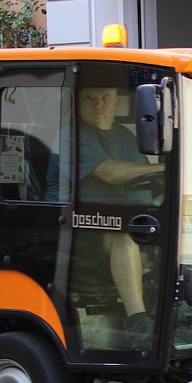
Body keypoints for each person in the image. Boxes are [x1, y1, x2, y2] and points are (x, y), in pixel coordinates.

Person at [77, 85, 164, 348]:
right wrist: (165, 167)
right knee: (125, 238)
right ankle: (138, 319)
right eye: (89, 96)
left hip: (128, 215)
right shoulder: (75, 135)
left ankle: (171, 314)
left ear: (117, 103)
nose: (98, 103)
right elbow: (111, 173)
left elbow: (143, 176)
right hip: (81, 225)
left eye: (105, 97)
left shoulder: (124, 136)